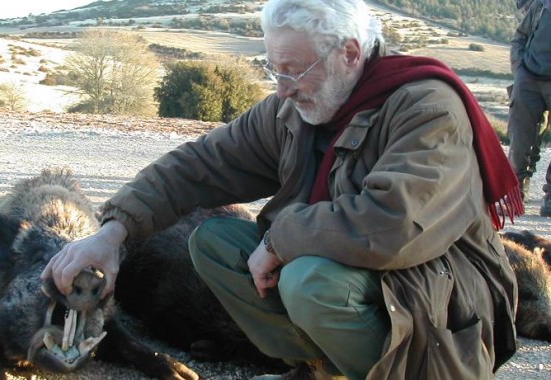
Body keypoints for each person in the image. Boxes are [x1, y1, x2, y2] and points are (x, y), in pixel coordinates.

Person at [41, 0, 523, 378]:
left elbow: (393, 222)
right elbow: (201, 164)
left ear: (349, 53)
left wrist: (278, 239)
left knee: (307, 279)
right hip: (354, 274)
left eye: (293, 70)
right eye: (274, 69)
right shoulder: (297, 107)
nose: (283, 88)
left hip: (439, 297)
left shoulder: (427, 107)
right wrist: (112, 233)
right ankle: (324, 368)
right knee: (213, 244)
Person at [507, 0, 551, 216]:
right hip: (529, 78)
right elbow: (520, 36)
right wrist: (520, 70)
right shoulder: (541, 5)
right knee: (520, 136)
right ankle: (515, 190)